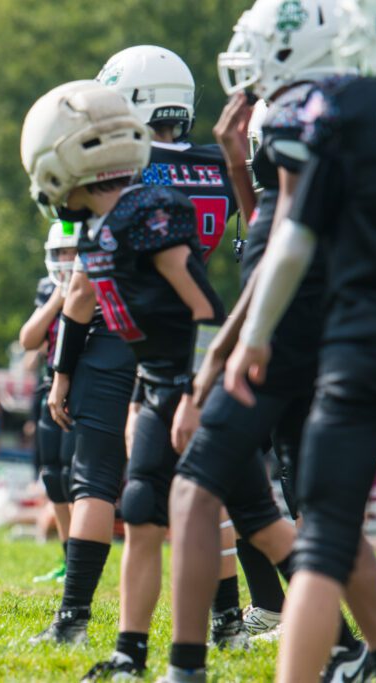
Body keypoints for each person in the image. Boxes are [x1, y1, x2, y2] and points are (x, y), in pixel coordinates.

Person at [21, 80, 227, 679]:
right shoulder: (119, 215)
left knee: (243, 514)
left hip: (182, 376)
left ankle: (348, 643)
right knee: (145, 505)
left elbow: (205, 307)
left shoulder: (144, 209)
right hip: (156, 374)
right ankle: (139, 649)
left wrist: (196, 389)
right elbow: (84, 297)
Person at [225, 3, 376, 680]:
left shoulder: (348, 108)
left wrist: (255, 335)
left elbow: (294, 237)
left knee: (324, 535)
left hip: (363, 338)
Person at [98, 44, 251, 649]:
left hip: (156, 329)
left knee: (153, 490)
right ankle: (229, 616)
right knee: (217, 493)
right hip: (205, 329)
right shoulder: (217, 164)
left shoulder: (133, 169)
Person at [18, 220, 78, 583]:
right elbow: (28, 339)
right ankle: (69, 557)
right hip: (50, 385)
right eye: (61, 252)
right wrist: (58, 296)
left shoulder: (97, 283)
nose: (67, 259)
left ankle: (83, 560)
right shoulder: (47, 287)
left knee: (75, 476)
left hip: (85, 387)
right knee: (53, 475)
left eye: (73, 251)